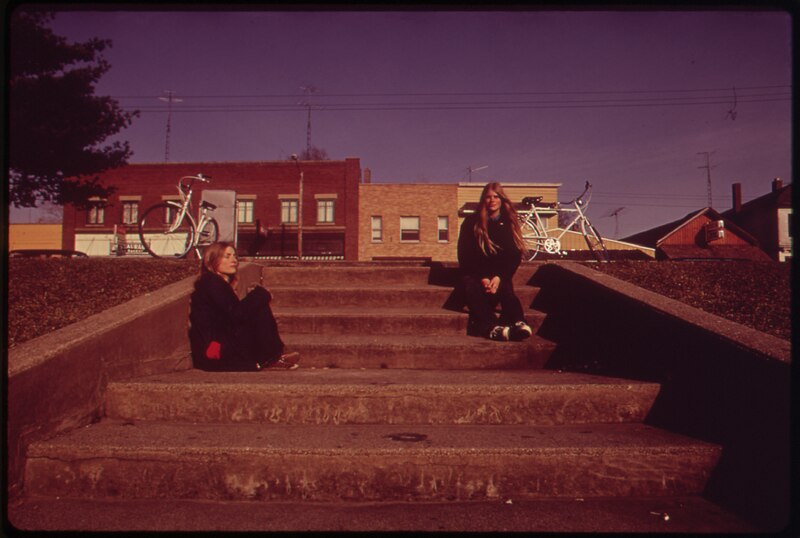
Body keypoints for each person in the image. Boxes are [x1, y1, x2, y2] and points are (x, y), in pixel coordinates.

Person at [189, 242, 299, 371]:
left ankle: (273, 357)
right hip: (215, 350)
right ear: (212, 260)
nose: (234, 260)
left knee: (256, 304)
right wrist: (260, 295)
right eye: (227, 256)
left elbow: (232, 316)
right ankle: (271, 358)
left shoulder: (214, 282)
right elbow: (235, 315)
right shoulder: (211, 282)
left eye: (235, 256)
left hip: (221, 344)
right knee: (258, 305)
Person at [457, 182, 533, 342]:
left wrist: (498, 277)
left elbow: (513, 255)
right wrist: (483, 277)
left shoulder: (509, 223)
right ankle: (490, 327)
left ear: (501, 199)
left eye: (496, 196)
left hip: (498, 275)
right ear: (483, 200)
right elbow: (465, 255)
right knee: (470, 285)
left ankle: (518, 321)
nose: (492, 200)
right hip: (475, 273)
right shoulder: (471, 222)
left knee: (506, 287)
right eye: (488, 197)